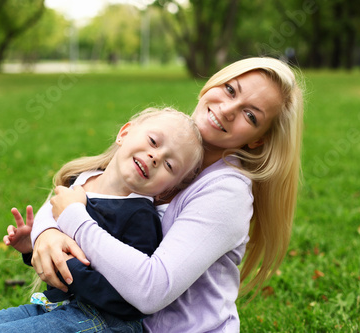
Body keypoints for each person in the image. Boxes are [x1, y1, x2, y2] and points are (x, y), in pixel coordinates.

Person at [30, 57, 305, 332]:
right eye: (231, 90)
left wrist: (73, 220)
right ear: (212, 84)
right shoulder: (171, 141)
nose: (228, 109)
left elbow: (152, 290)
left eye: (251, 115)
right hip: (99, 316)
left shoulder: (227, 192)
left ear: (257, 139)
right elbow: (85, 187)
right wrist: (46, 233)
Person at [0, 107, 204, 333]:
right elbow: (59, 246)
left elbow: (129, 301)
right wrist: (32, 248)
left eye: (169, 164)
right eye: (153, 141)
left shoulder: (139, 218)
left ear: (168, 188)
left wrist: (67, 265)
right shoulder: (82, 179)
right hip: (57, 308)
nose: (156, 157)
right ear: (125, 133)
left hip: (104, 323)